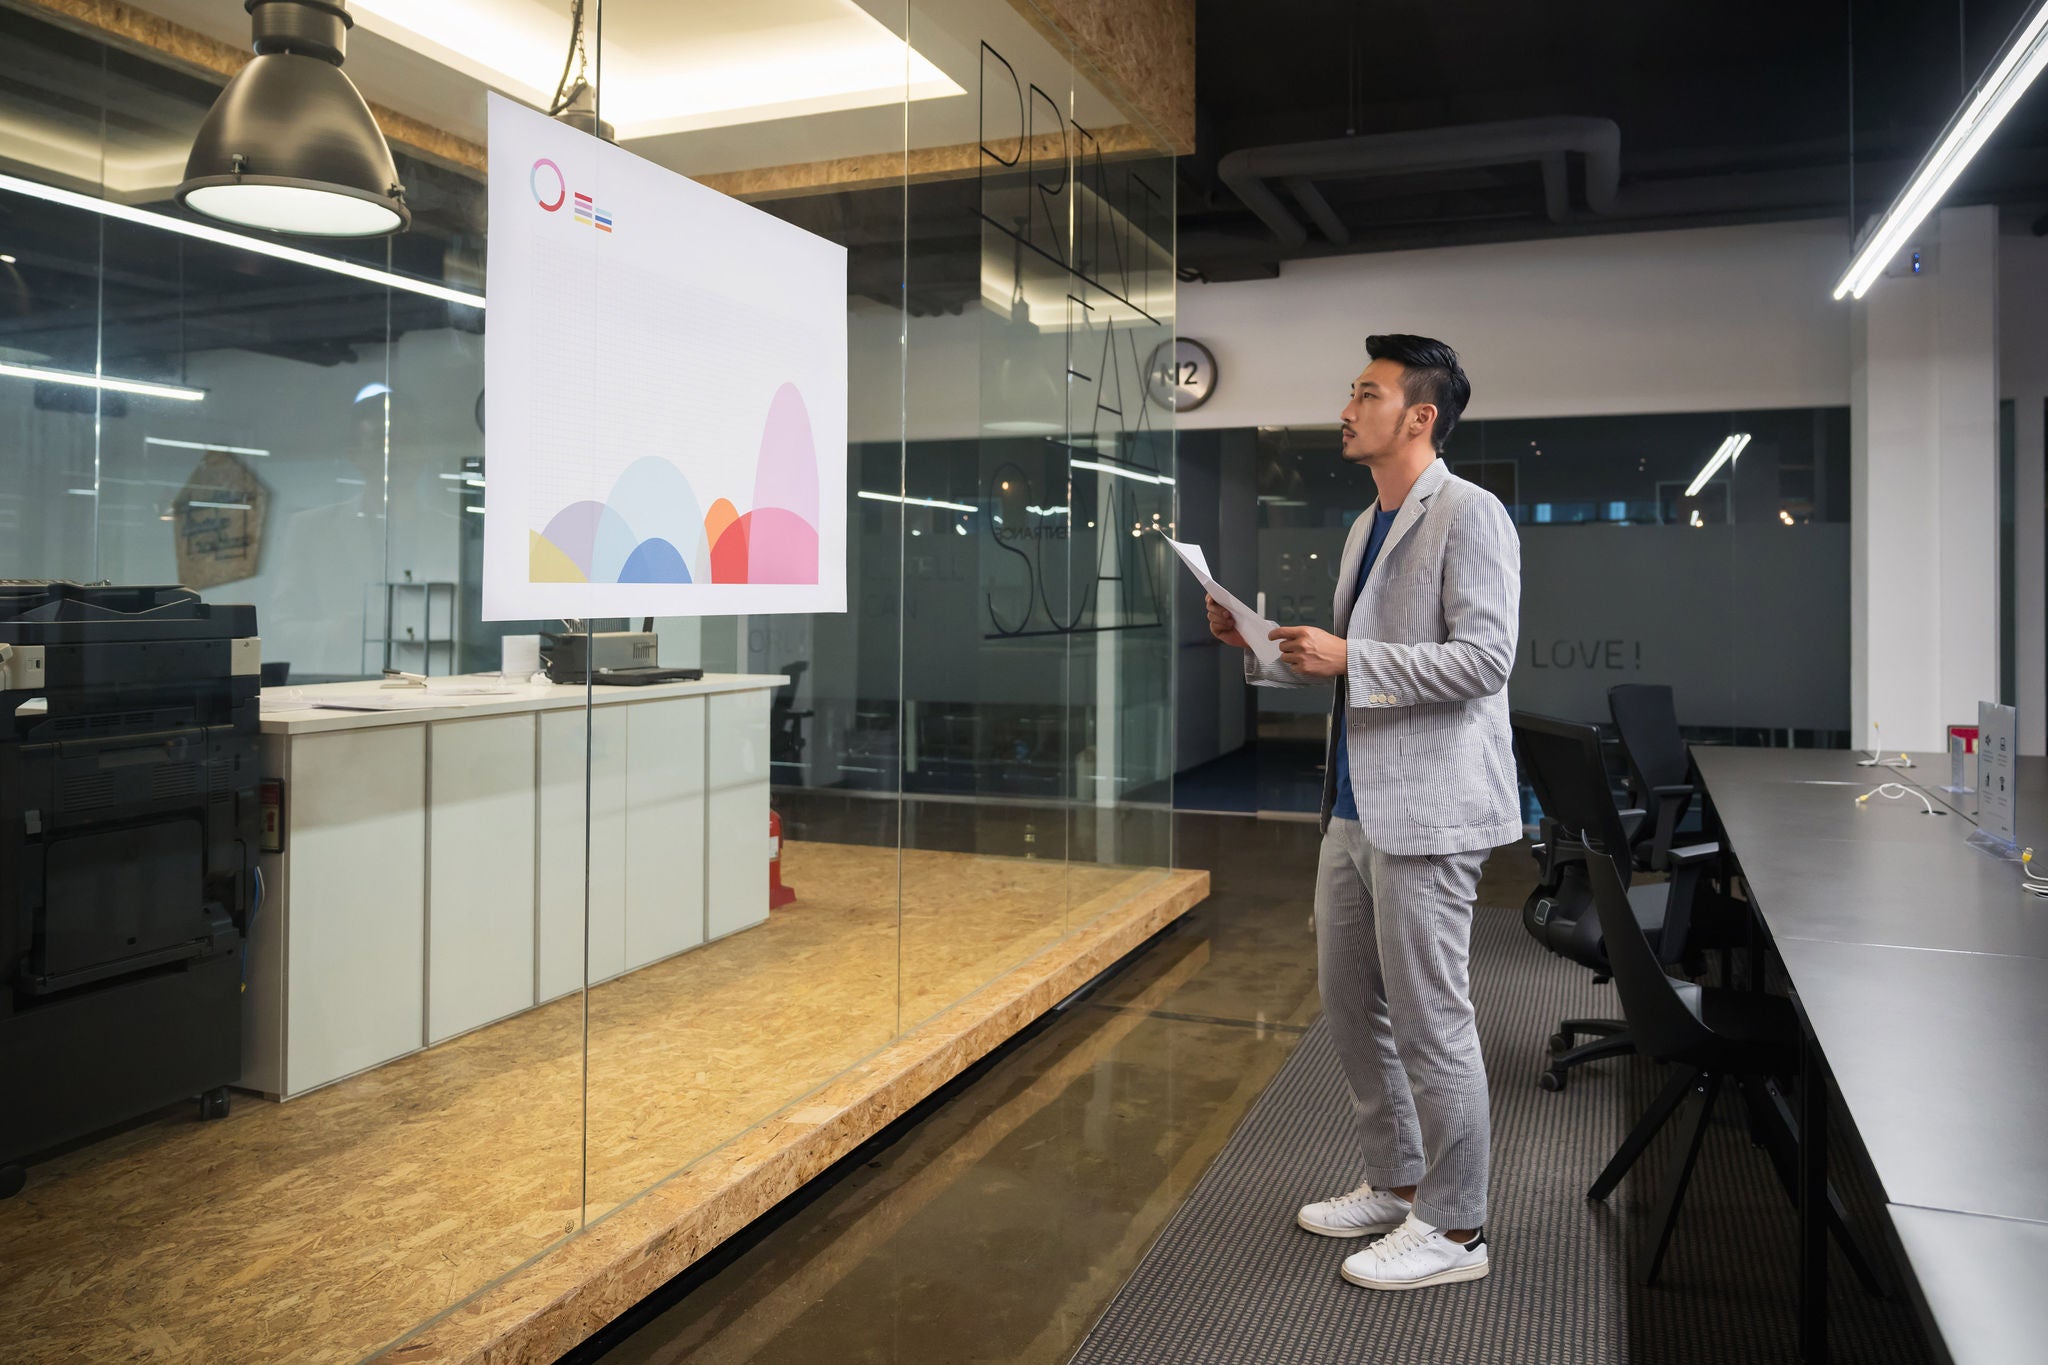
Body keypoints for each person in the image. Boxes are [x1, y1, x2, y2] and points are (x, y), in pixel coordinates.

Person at [1206, 333, 1521, 1291]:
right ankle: (1396, 1180)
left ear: (1418, 416)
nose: (1347, 408)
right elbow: (1345, 671)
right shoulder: (1365, 525)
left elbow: (1487, 660)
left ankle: (1457, 1230)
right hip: (1350, 805)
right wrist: (1257, 646)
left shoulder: (1471, 515)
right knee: (1351, 1009)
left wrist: (1352, 658)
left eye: (1366, 392)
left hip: (1431, 809)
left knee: (1432, 1019)